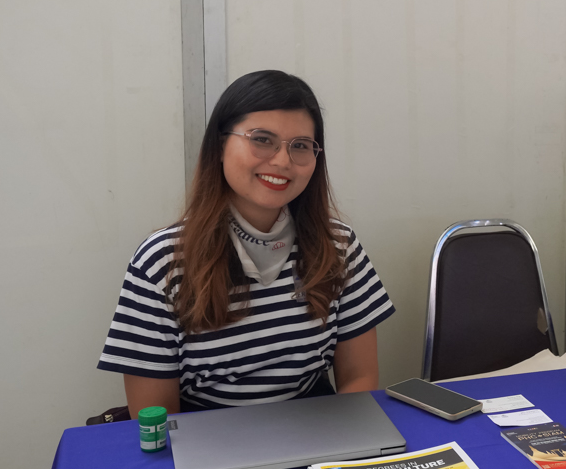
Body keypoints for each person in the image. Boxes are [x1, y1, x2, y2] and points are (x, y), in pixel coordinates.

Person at [97, 70, 394, 416]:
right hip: (203, 432)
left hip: (318, 428)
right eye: (262, 139)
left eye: (300, 145)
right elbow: (155, 415)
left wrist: (341, 442)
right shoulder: (161, 261)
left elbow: (359, 377)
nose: (282, 161)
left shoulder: (339, 245)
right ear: (220, 146)